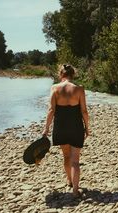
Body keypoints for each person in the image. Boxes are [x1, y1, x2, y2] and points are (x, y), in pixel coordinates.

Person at [43, 64, 89, 197]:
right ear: (73, 74)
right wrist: (87, 128)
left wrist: (46, 129)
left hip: (60, 127)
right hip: (76, 127)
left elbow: (51, 110)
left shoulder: (54, 88)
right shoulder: (79, 89)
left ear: (60, 74)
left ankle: (69, 180)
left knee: (66, 156)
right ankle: (75, 190)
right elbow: (84, 111)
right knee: (75, 160)